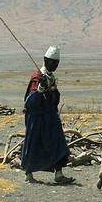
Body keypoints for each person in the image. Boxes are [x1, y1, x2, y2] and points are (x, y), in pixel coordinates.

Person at [21, 45, 71, 184]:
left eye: (57, 63)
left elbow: (55, 99)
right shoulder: (37, 77)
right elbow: (30, 101)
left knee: (58, 142)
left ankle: (59, 174)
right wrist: (41, 89)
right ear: (45, 60)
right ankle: (28, 174)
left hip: (50, 117)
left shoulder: (51, 77)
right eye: (52, 62)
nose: (55, 65)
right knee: (33, 144)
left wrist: (53, 90)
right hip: (37, 118)